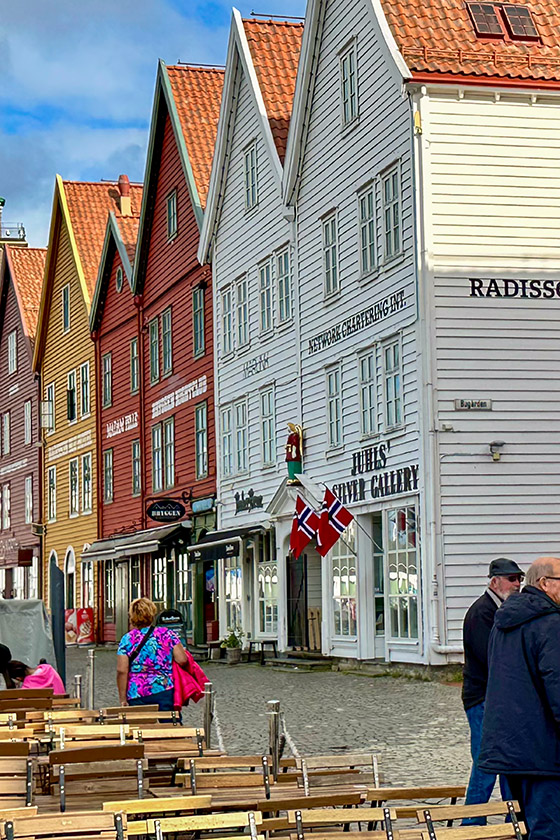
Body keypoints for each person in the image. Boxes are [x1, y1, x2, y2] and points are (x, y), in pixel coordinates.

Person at [479, 556, 560, 839]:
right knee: (547, 829)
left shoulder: (503, 621)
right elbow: (557, 686)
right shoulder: (551, 623)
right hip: (542, 750)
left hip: (509, 746)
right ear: (545, 584)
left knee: (521, 828)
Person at [461, 557, 524, 824]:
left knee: (509, 762)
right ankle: (471, 823)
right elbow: (493, 657)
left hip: (498, 698)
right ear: (495, 581)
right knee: (486, 764)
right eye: (512, 579)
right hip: (483, 698)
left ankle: (516, 820)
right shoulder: (482, 612)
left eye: (519, 578)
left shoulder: (500, 609)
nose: (517, 584)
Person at [116, 597, 188, 711]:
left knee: (139, 726)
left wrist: (123, 699)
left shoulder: (127, 639)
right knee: (169, 725)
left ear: (132, 616)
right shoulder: (167, 634)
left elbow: (121, 670)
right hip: (163, 688)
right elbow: (182, 659)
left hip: (137, 692)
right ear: (152, 614)